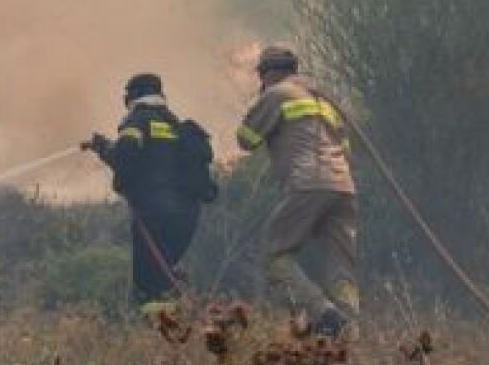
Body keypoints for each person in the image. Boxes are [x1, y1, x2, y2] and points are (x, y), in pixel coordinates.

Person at [236, 46, 360, 338]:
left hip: (306, 183)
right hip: (343, 186)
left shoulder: (276, 94)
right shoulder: (325, 99)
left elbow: (245, 139)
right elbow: (346, 148)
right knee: (342, 268)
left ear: (267, 73)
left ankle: (324, 314)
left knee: (274, 258)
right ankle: (350, 333)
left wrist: (260, 107)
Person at [84, 73, 216, 315]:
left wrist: (102, 147)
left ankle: (160, 334)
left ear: (131, 97)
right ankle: (179, 324)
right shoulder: (177, 124)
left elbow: (124, 159)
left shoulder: (137, 120)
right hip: (188, 216)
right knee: (164, 274)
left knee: (148, 285)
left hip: (154, 213)